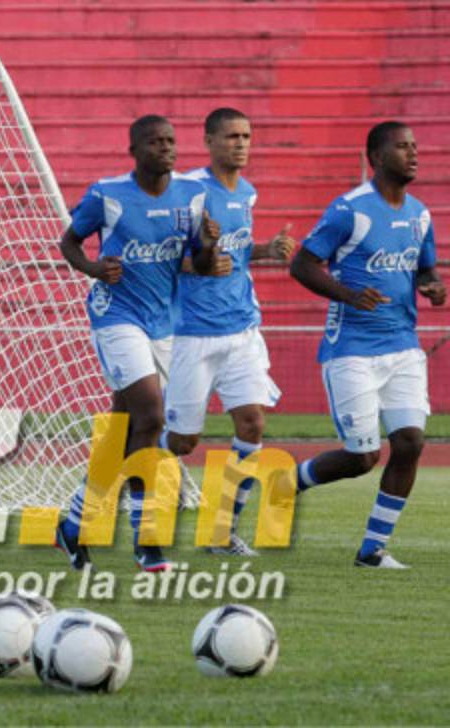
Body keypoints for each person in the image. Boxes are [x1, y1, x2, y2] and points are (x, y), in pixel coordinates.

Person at [56, 114, 219, 572]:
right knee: (150, 417)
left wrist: (206, 246)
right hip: (116, 318)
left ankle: (72, 524)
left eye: (171, 140)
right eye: (155, 142)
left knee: (125, 430)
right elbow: (69, 242)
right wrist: (92, 270)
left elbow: (201, 266)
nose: (166, 148)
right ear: (135, 150)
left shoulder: (192, 195)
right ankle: (147, 542)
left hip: (164, 325)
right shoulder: (108, 195)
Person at [289, 120, 444, 569]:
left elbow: (425, 270)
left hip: (402, 346)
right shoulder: (349, 210)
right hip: (352, 349)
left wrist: (434, 287)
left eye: (415, 146)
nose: (413, 153)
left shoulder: (419, 214)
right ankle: (289, 481)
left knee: (411, 442)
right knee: (362, 457)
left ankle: (372, 550)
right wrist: (348, 295)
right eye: (402, 147)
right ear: (376, 157)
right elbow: (302, 265)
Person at [164, 108, 295, 555]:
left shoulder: (248, 194)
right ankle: (123, 461)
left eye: (247, 136)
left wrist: (265, 249)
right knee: (182, 442)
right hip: (193, 332)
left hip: (242, 328)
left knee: (253, 423)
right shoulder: (189, 192)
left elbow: (234, 255)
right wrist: (193, 263)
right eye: (232, 136)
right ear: (209, 141)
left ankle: (221, 532)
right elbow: (159, 255)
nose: (241, 144)